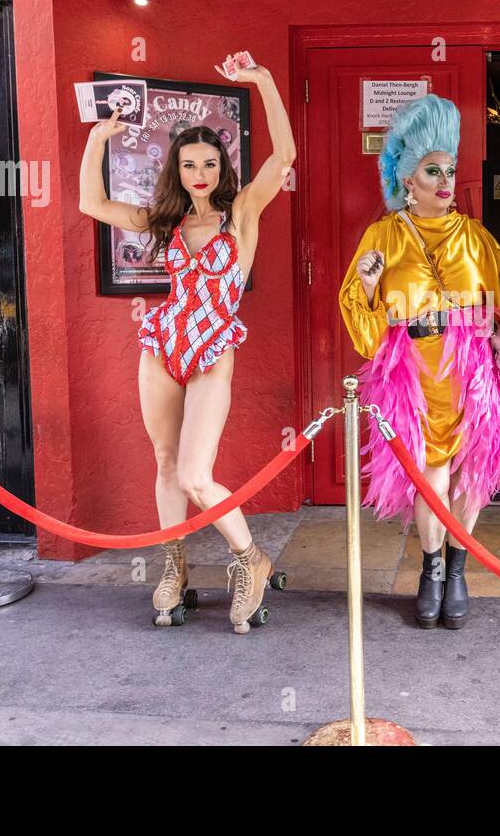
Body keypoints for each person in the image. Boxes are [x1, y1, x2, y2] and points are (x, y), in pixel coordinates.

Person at [78, 55, 296, 632]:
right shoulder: (165, 220)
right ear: (177, 170)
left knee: (198, 475)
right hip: (163, 344)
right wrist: (98, 139)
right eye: (189, 163)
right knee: (167, 463)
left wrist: (264, 80)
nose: (200, 172)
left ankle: (250, 558)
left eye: (209, 162)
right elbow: (91, 205)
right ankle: (174, 567)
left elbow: (285, 158)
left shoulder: (241, 213)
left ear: (222, 166)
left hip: (212, 348)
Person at [338, 94, 500, 629]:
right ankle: (431, 568)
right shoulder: (383, 236)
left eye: (450, 170)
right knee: (430, 480)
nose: (444, 181)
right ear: (405, 179)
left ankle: (459, 567)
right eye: (431, 170)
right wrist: (370, 285)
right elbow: (366, 332)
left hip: (475, 373)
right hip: (416, 376)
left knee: (471, 479)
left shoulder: (475, 235)